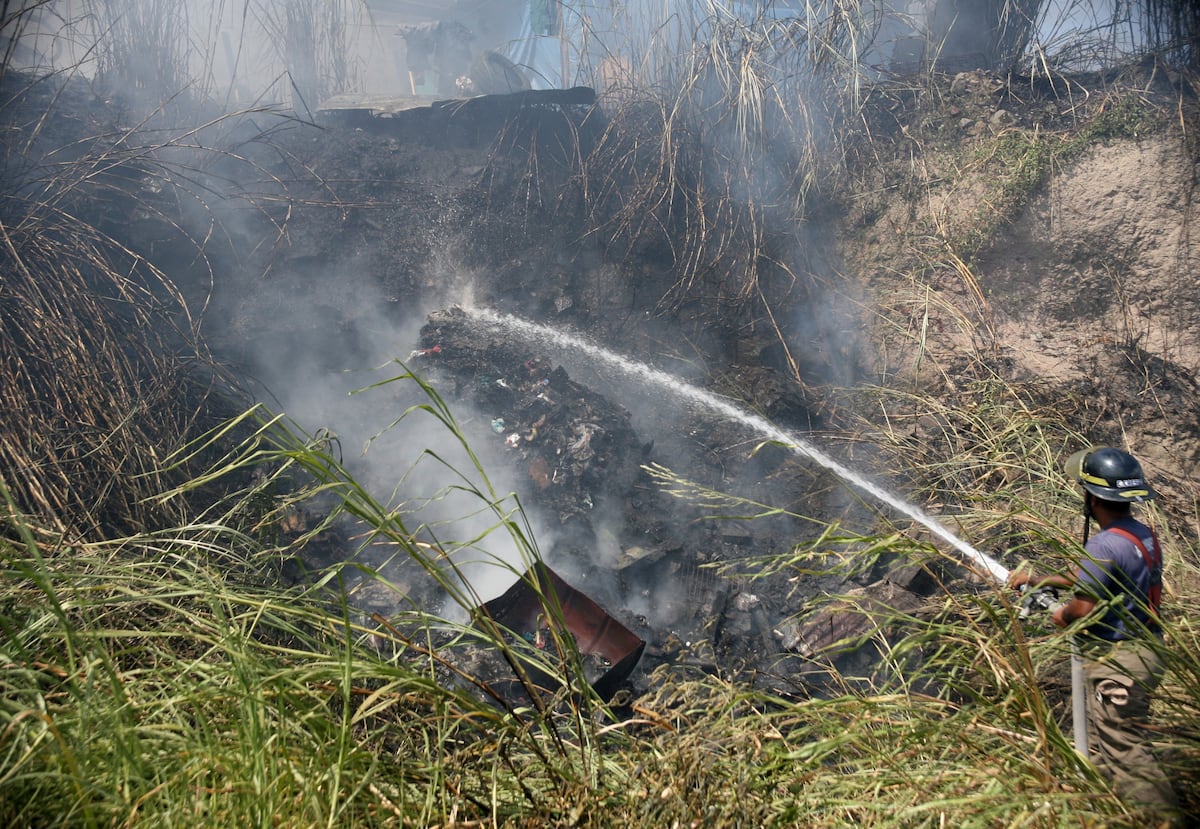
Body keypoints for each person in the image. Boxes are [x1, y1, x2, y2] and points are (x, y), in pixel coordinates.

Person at [1007, 447, 1178, 813]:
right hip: (1147, 650)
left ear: (1093, 497)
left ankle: (1162, 818)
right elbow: (1091, 576)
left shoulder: (1102, 543)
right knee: (1107, 740)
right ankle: (1108, 810)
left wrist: (1062, 615)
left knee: (1127, 749)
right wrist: (1036, 580)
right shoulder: (1141, 535)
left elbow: (1083, 608)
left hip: (1120, 661)